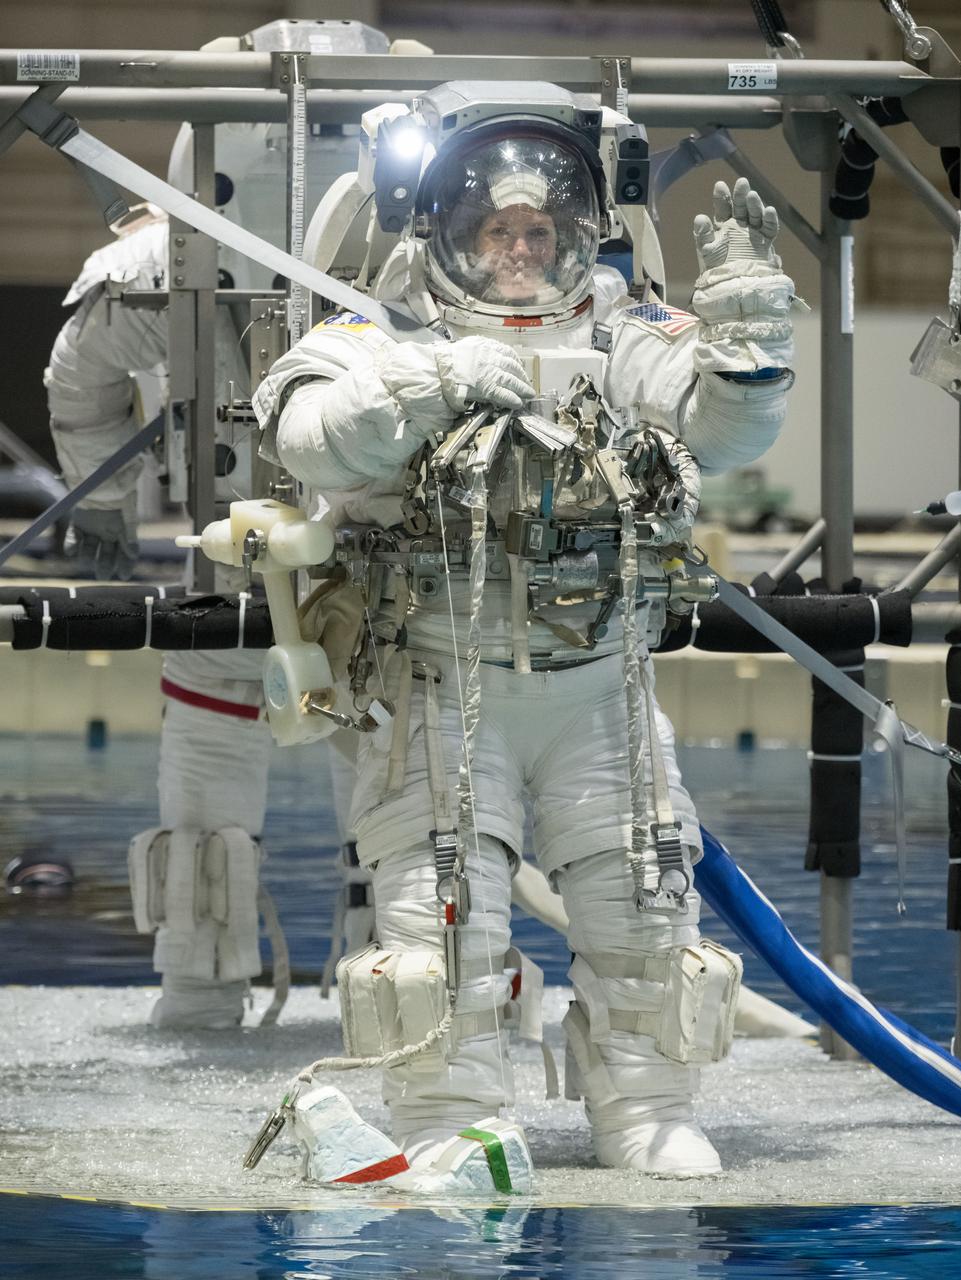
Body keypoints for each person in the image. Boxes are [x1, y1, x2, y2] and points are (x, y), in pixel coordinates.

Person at [252, 80, 799, 1177]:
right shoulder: (382, 332)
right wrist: (427, 383)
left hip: (600, 684)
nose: (519, 249)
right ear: (448, 228)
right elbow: (306, 436)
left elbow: (722, 431)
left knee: (644, 906)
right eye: (496, 228)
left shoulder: (624, 327)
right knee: (438, 921)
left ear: (577, 233)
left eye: (540, 230)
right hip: (440, 680)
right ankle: (447, 1117)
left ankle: (645, 1109)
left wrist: (746, 342)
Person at [44, 18, 392, 1028]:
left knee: (385, 814)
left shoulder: (165, 263)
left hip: (307, 584)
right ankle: (353, 999)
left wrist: (104, 508)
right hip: (332, 589)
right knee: (382, 809)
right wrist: (104, 512)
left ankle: (240, 995)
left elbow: (79, 378)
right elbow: (81, 369)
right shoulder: (416, 272)